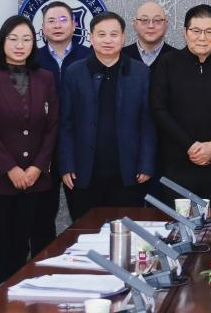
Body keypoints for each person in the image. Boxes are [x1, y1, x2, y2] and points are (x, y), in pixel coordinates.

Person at [0, 15, 59, 293]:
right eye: (13, 39)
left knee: (23, 245)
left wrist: (37, 167)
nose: (20, 45)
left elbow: (52, 127)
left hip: (34, 180)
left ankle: (21, 302)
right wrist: (11, 168)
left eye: (27, 39)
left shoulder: (45, 78)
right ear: (3, 42)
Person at [59, 12, 156, 221]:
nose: (108, 40)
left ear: (123, 37)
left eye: (114, 34)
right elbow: (65, 123)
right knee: (86, 232)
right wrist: (66, 164)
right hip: (84, 173)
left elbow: (148, 122)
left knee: (127, 232)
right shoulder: (74, 72)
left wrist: (146, 164)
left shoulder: (140, 73)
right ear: (91, 38)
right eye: (101, 34)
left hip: (128, 173)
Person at [151, 5, 211, 207]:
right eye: (196, 31)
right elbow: (159, 109)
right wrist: (190, 145)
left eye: (209, 31)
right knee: (177, 223)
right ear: (185, 32)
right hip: (176, 163)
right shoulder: (167, 63)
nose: (202, 38)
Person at [31, 0, 90, 253]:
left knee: (84, 217)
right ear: (42, 28)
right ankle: (42, 267)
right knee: (41, 218)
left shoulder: (89, 56)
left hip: (79, 150)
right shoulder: (31, 59)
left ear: (75, 25)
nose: (57, 25)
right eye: (51, 21)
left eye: (63, 20)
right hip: (40, 150)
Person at [124, 1, 176, 73]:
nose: (151, 26)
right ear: (135, 24)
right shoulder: (121, 56)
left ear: (165, 24)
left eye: (157, 20)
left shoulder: (178, 58)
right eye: (144, 20)